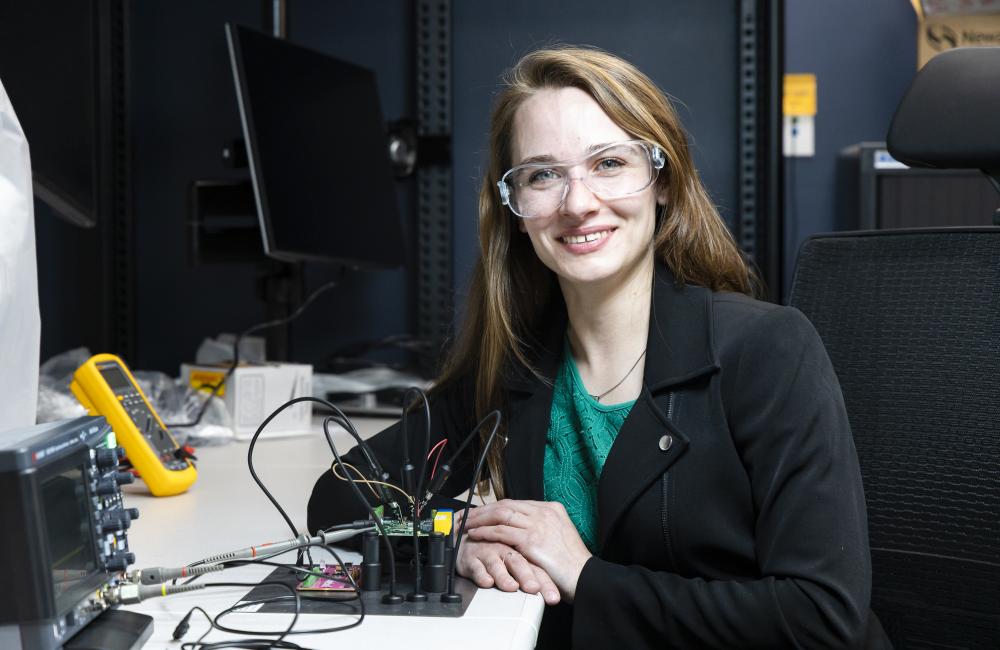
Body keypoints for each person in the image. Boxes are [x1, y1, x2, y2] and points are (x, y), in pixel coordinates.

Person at [308, 46, 889, 648]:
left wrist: (583, 574)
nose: (578, 202)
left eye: (608, 163)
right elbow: (336, 501)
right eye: (543, 175)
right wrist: (458, 537)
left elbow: (821, 618)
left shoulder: (768, 350)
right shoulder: (517, 364)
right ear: (514, 210)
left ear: (662, 182)